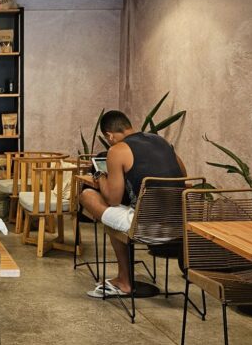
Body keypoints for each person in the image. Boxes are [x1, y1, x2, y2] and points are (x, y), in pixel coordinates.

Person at [78, 110, 185, 297]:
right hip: (178, 226)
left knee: (88, 196)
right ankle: (124, 278)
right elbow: (183, 176)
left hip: (145, 228)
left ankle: (124, 281)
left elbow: (113, 199)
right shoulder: (162, 142)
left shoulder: (117, 150)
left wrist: (100, 176)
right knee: (121, 211)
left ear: (110, 136)